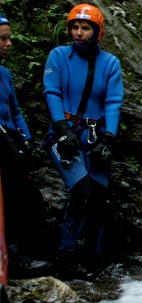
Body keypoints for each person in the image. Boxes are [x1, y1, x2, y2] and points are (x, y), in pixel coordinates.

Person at [43, 3, 123, 279]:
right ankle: (66, 255)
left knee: (100, 197)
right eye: (75, 27)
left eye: (85, 28)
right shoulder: (58, 57)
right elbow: (52, 93)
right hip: (65, 133)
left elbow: (113, 102)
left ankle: (95, 258)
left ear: (97, 32)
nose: (79, 33)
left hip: (96, 134)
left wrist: (109, 138)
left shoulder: (110, 63)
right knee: (80, 191)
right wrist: (62, 129)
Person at [0, 12, 50, 278]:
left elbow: (15, 110)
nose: (9, 44)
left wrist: (26, 139)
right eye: (3, 39)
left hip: (12, 142)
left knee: (24, 198)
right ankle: (12, 258)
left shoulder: (4, 74)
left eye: (9, 38)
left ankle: (21, 252)